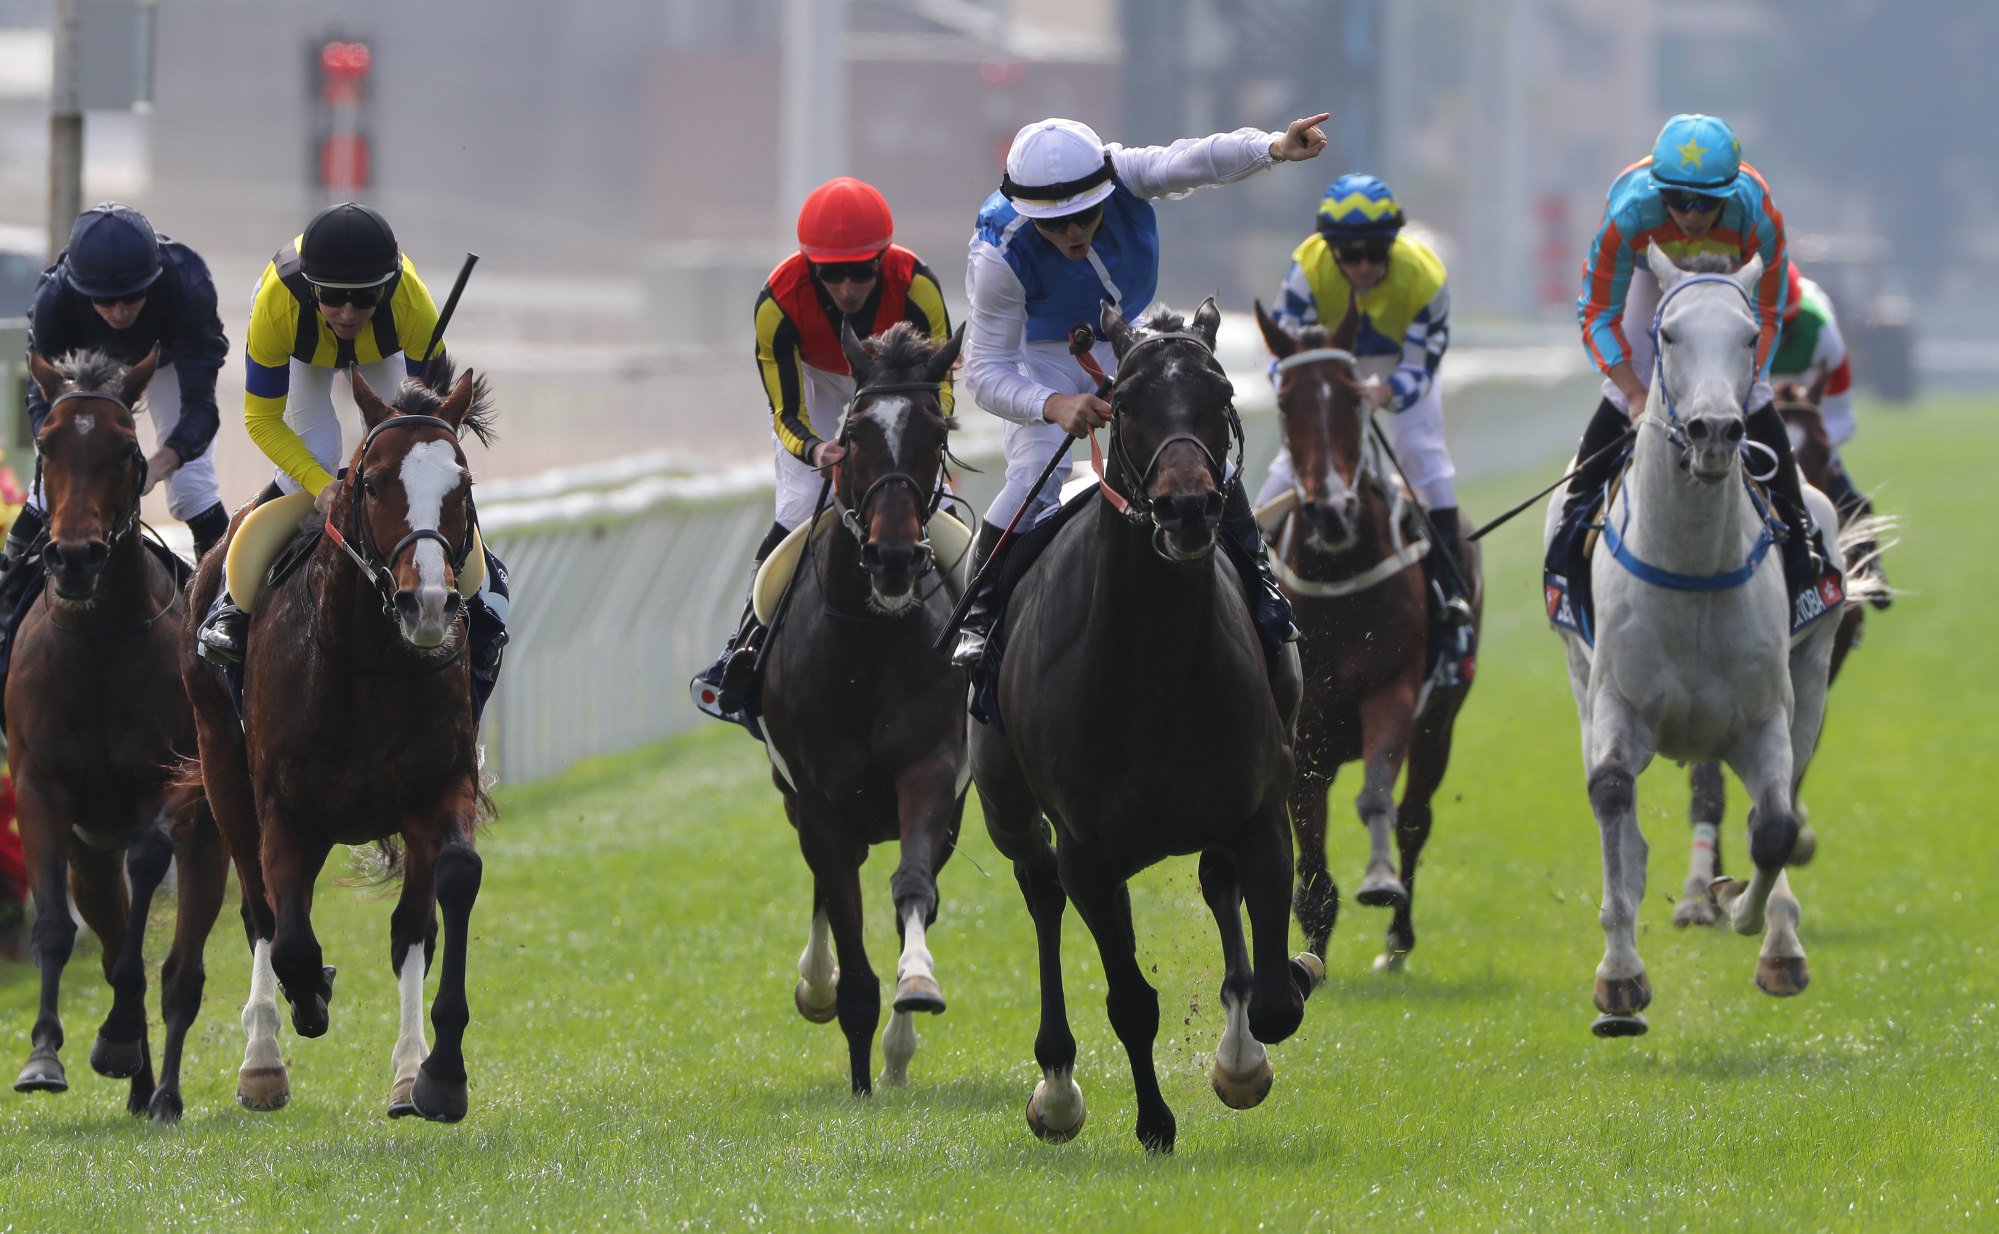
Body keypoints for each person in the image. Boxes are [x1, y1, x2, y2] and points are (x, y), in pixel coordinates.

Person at [951, 112, 1331, 670]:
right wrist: (1052, 405)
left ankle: (1262, 588)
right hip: (1043, 357)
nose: (1074, 233)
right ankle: (980, 615)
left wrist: (1273, 147)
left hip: (1126, 334)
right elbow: (985, 372)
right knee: (1035, 478)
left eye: (1084, 216)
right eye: (1054, 226)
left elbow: (1198, 158)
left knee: (1198, 455)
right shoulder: (997, 257)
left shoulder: (1125, 173)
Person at [193, 202, 510, 720]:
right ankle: (232, 605)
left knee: (403, 458)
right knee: (316, 450)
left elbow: (427, 439)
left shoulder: (412, 307)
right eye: (332, 298)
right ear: (312, 289)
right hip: (302, 352)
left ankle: (483, 599)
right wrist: (321, 485)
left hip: (386, 352)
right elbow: (260, 420)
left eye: (361, 299)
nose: (345, 312)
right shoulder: (277, 308)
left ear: (385, 289)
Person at [690, 177, 955, 730]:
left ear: (883, 260)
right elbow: (785, 413)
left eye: (861, 270)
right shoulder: (777, 302)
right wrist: (816, 449)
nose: (848, 286)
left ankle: (987, 632)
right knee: (794, 518)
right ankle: (744, 650)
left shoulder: (919, 285)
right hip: (816, 396)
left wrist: (924, 432)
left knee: (945, 514)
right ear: (809, 265)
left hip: (899, 395)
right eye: (831, 273)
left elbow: (941, 389)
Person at [1562, 112, 1831, 617]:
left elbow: (1767, 310)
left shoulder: (1757, 213)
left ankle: (1801, 546)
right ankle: (1567, 547)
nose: (1690, 213)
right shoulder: (1631, 212)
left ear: (1728, 195)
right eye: (1676, 199)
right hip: (1652, 276)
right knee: (1625, 392)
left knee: (1751, 397)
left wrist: (1745, 380)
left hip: (1730, 283)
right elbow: (1598, 312)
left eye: (1705, 202)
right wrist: (1635, 392)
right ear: (1656, 192)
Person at [1258, 172, 1475, 672]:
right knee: (1279, 481)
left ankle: (1453, 602)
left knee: (1426, 460)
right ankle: (1249, 600)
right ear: (1331, 250)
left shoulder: (1424, 275)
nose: (1362, 266)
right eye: (1349, 256)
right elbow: (1281, 358)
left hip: (1398, 368)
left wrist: (1384, 392)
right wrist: (1313, 397)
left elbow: (1425, 364)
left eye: (1374, 254)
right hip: (1325, 372)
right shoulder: (1306, 267)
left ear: (1393, 244)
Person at [0, 203, 231, 639]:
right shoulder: (55, 297)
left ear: (154, 280)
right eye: (106, 301)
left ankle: (230, 616)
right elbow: (41, 397)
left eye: (134, 296)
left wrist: (158, 464)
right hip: (82, 368)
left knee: (191, 487)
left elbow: (201, 407)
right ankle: (7, 596)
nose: (122, 311)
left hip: (163, 359)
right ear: (82, 290)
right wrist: (59, 455)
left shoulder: (187, 283)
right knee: (46, 489)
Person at [1771, 258, 1889, 602]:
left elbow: (1842, 418)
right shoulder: (1731, 330)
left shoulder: (1823, 335)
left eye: (1783, 328)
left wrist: (1810, 446)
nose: (1776, 339)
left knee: (1851, 500)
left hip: (1807, 417)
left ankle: (1870, 570)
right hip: (1757, 412)